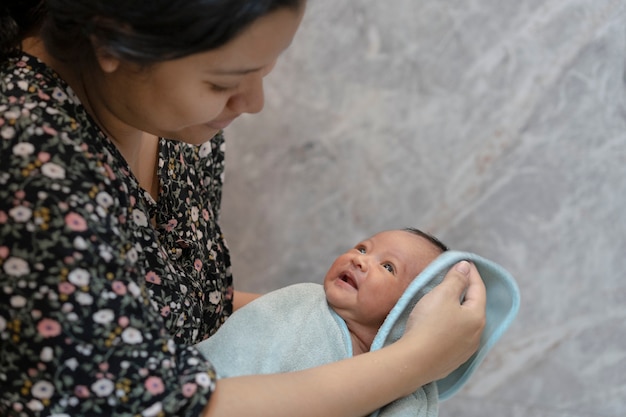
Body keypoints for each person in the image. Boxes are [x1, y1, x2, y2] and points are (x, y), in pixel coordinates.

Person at [0, 1, 487, 416]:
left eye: (266, 71)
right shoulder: (30, 164)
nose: (253, 102)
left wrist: (325, 321)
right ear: (111, 41)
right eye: (222, 82)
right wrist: (416, 361)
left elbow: (168, 298)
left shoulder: (176, 128)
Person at [196, 228, 449, 416]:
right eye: (363, 248)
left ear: (407, 313)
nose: (360, 259)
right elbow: (244, 328)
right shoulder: (302, 298)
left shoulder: (400, 385)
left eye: (388, 267)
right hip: (203, 392)